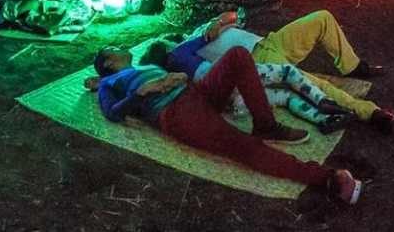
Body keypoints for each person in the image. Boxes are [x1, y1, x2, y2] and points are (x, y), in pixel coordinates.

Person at [94, 46, 364, 205]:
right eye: (114, 49)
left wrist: (176, 76)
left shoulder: (142, 65)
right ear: (108, 62)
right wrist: (140, 93)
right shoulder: (107, 83)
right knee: (242, 145)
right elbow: (112, 113)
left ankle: (265, 124)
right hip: (176, 111)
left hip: (195, 92)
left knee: (237, 55)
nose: (121, 48)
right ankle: (325, 178)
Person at [141, 21, 354, 134]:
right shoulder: (178, 51)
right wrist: (220, 25)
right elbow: (208, 36)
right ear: (167, 47)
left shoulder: (169, 77)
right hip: (226, 80)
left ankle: (325, 121)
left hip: (228, 104)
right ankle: (323, 103)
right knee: (288, 73)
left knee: (284, 97)